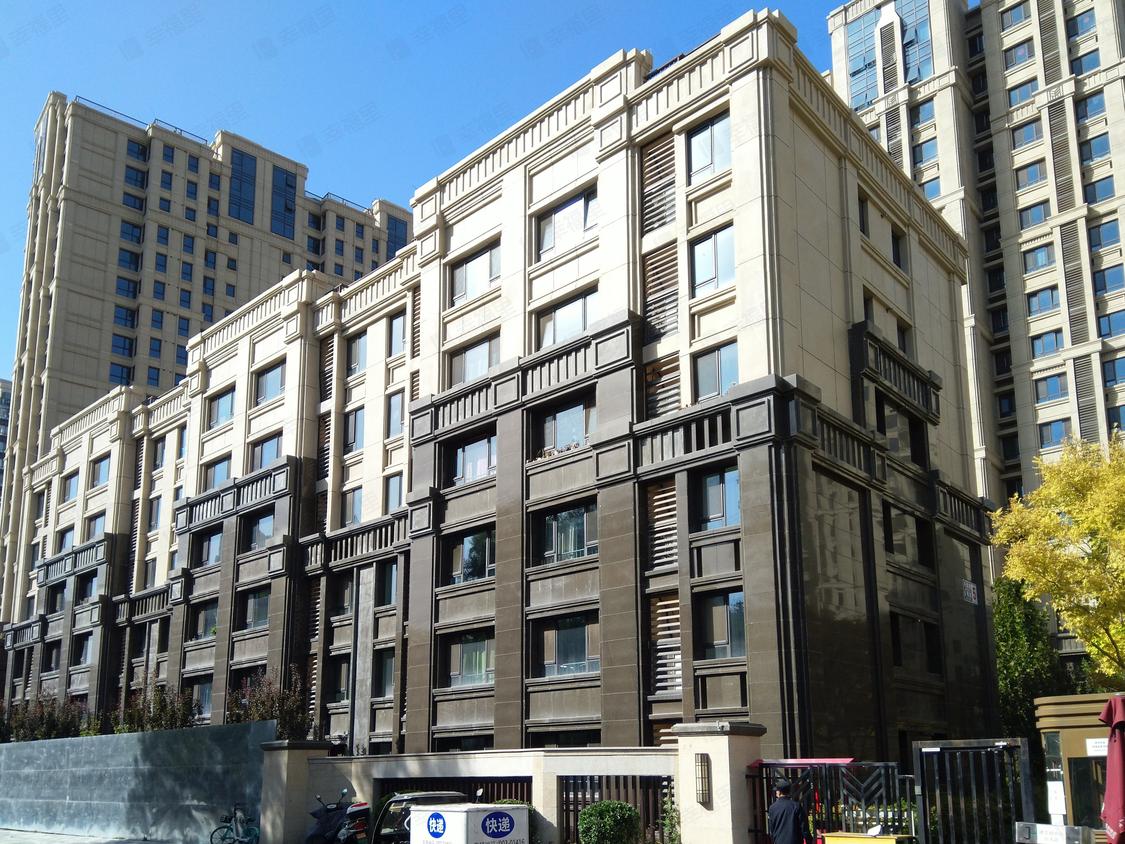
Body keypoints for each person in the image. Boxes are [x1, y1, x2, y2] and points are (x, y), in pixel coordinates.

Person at [766, 779, 815, 844]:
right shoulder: (796, 806)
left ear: (779, 792)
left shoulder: (772, 808)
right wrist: (809, 841)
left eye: (777, 791)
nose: (776, 792)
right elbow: (804, 827)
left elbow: (772, 828)